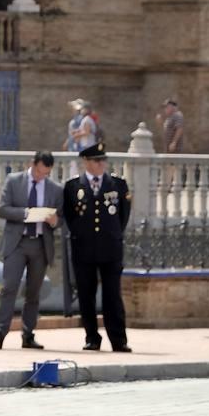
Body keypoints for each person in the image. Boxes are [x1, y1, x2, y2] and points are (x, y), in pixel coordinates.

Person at [0, 151, 64, 350]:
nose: (41, 177)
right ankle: (0, 331)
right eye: (39, 172)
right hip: (17, 243)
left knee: (33, 292)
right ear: (32, 164)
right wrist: (26, 214)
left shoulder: (55, 189)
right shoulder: (14, 181)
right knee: (10, 286)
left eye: (45, 174)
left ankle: (28, 335)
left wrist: (55, 221)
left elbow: (62, 219)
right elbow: (2, 209)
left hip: (40, 244)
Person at [62, 144, 131, 353]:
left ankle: (118, 339)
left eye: (103, 160)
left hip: (110, 249)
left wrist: (113, 234)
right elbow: (70, 216)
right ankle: (92, 337)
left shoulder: (118, 185)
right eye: (96, 161)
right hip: (84, 249)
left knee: (112, 295)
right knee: (86, 295)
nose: (101, 164)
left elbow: (123, 216)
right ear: (86, 162)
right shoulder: (73, 186)